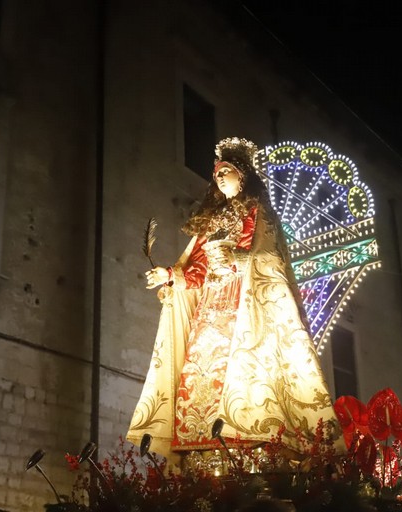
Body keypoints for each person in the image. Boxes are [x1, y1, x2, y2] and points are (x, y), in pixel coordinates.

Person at [127, 137, 341, 462]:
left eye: (225, 171)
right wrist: (170, 275)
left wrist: (238, 259)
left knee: (244, 378)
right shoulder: (211, 221)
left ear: (242, 174)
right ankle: (201, 453)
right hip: (210, 309)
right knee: (199, 376)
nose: (219, 178)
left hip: (245, 302)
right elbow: (196, 271)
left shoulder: (257, 212)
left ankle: (248, 447)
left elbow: (269, 257)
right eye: (216, 174)